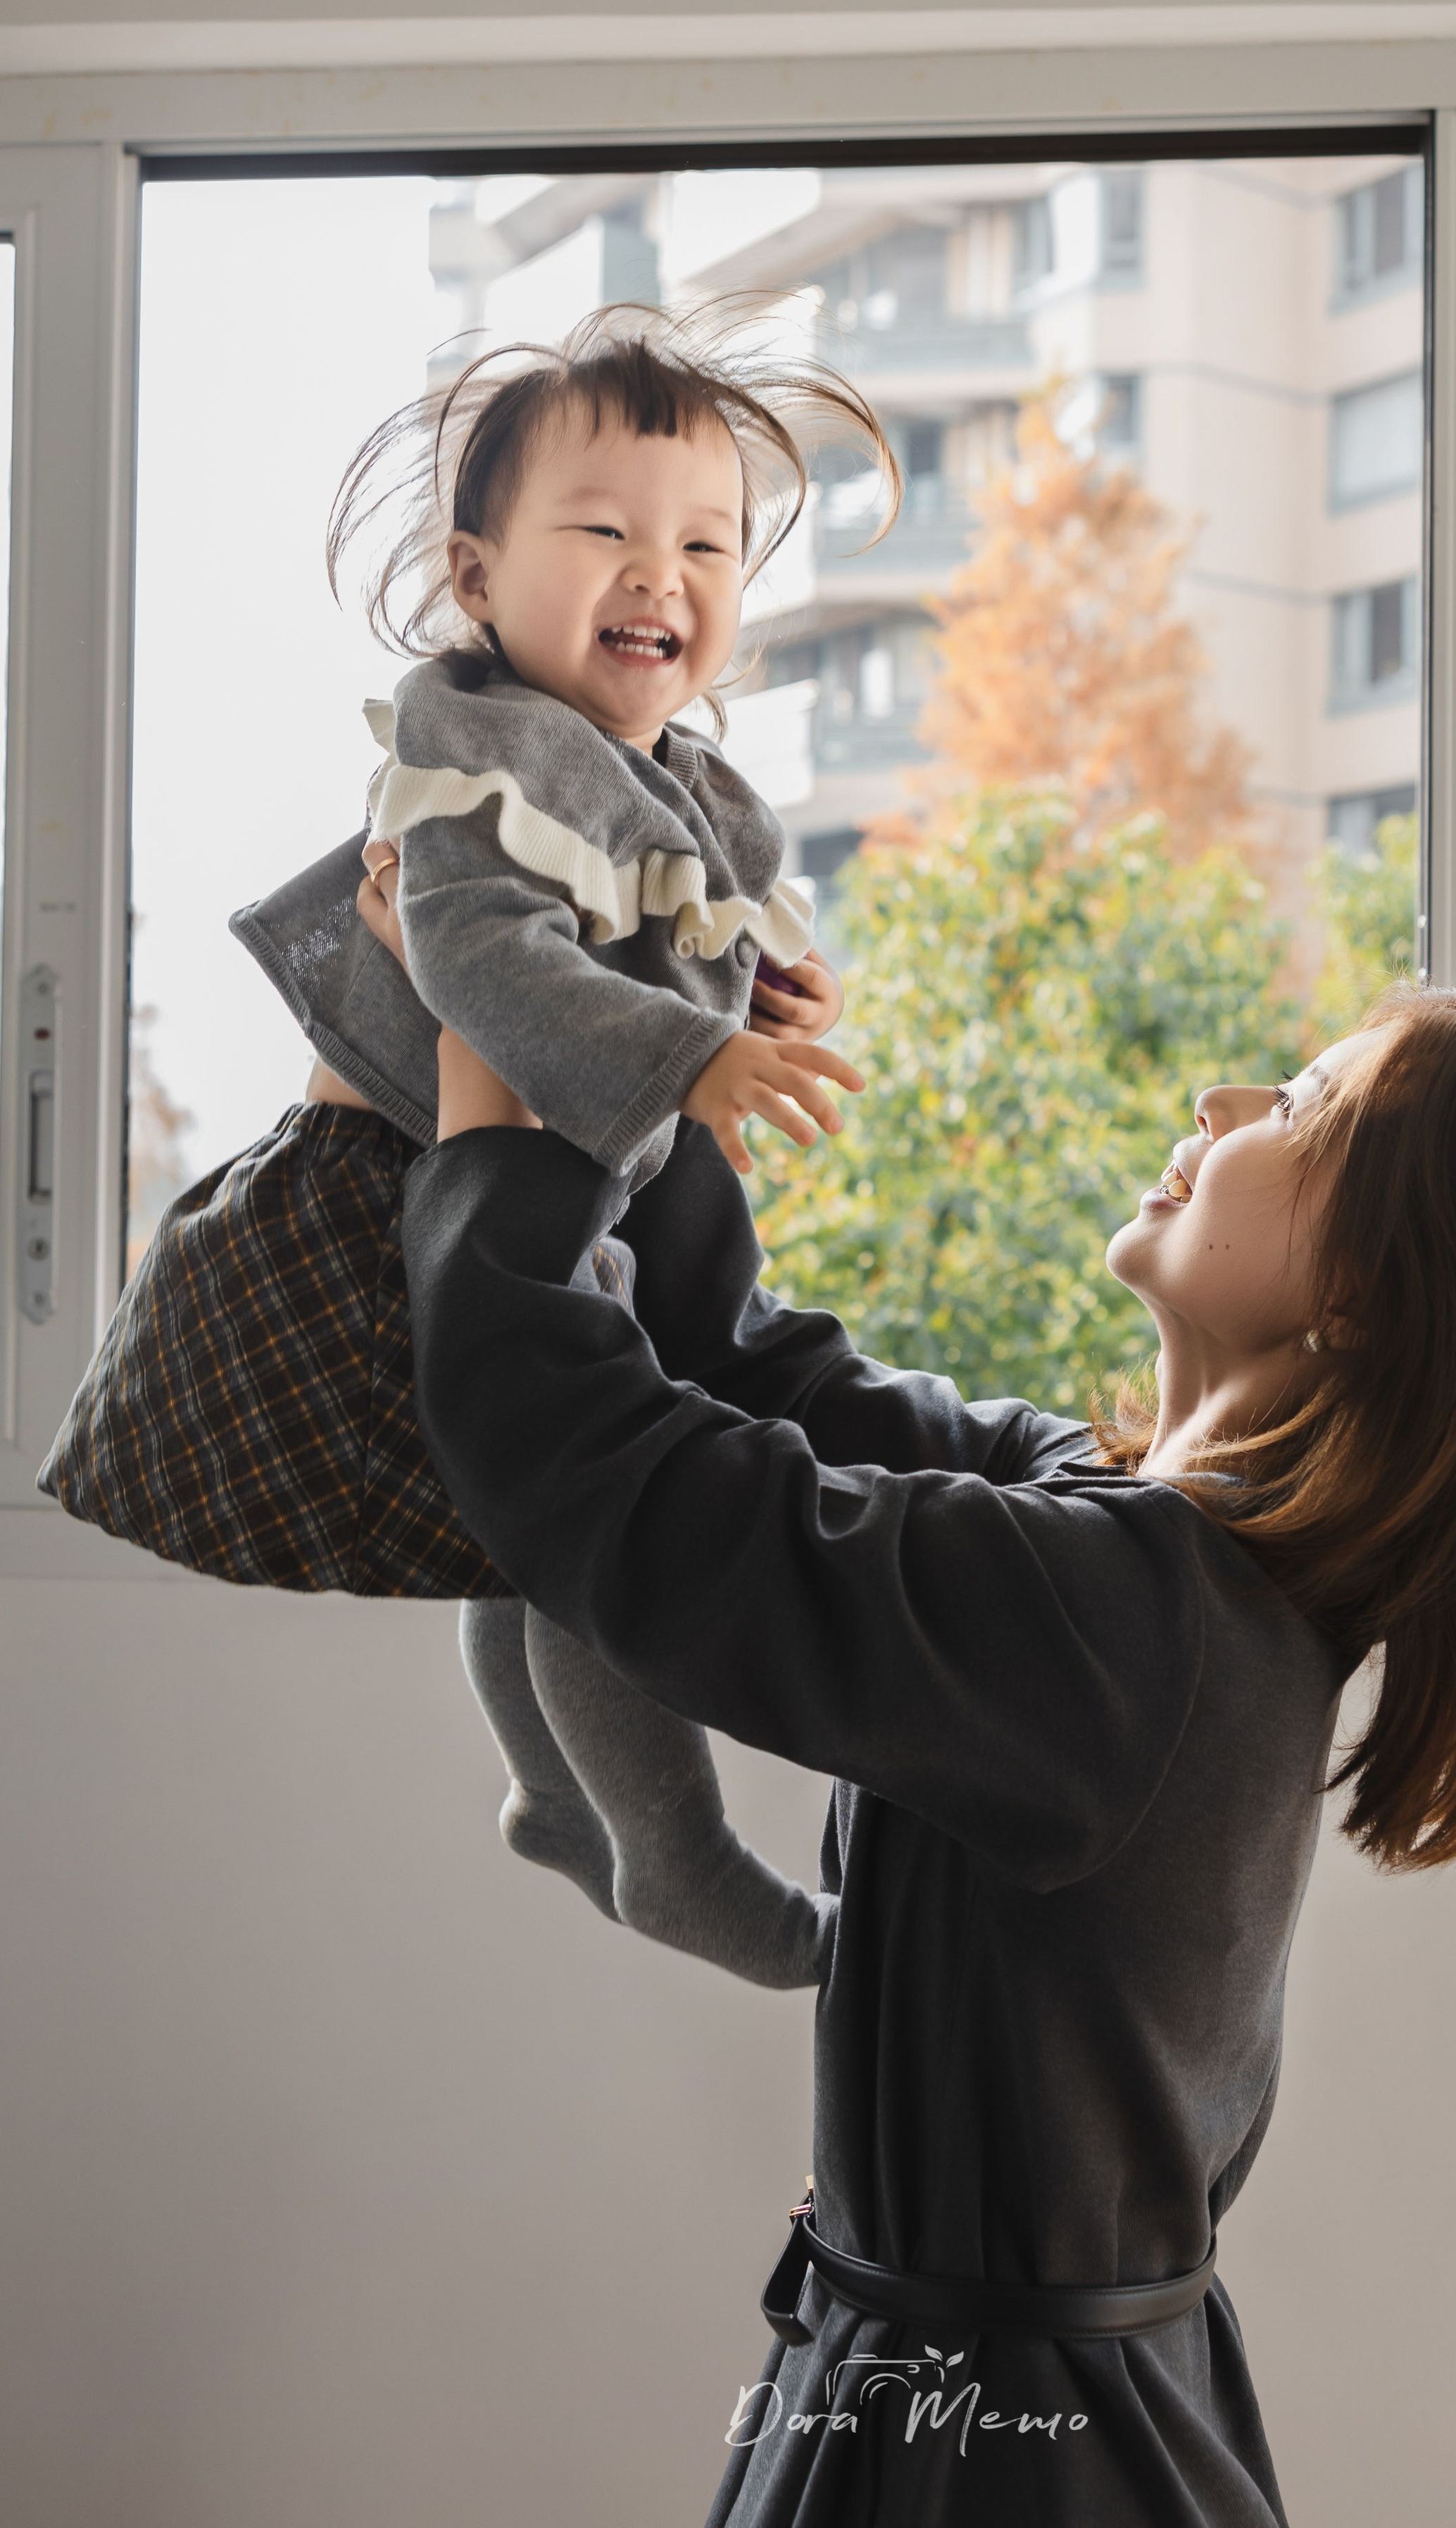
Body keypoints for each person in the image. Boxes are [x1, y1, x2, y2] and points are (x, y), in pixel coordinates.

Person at [394, 980, 1456, 2526]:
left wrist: (489, 1104)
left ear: (1369, 1293)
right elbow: (750, 1374)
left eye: (1300, 1108)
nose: (1223, 1103)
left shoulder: (1122, 1624)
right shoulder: (1149, 1555)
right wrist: (663, 1050)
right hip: (1000, 2410)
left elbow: (614, 1492)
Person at [39, 306, 890, 1991]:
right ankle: (668, 1847)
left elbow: (667, 940)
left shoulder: (682, 787)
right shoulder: (473, 750)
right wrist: (686, 1052)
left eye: (705, 543)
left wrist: (757, 995)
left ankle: (559, 1804)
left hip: (518, 1206)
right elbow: (489, 968)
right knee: (578, 1533)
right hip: (387, 1208)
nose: (662, 574)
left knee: (532, 1532)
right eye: (607, 532)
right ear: (478, 578)